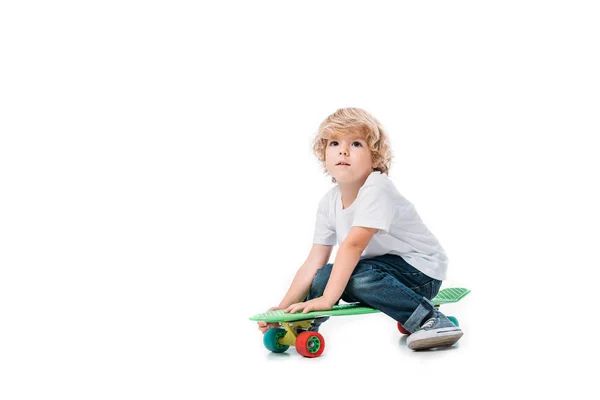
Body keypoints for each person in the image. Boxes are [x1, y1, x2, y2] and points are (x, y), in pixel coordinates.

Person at [257, 107, 463, 351]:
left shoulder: (377, 188)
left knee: (352, 277)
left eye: (355, 144)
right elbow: (314, 262)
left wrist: (327, 299)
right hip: (381, 270)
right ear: (324, 154)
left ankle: (430, 319)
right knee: (326, 274)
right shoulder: (328, 202)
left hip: (420, 273)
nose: (343, 150)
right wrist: (284, 307)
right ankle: (303, 323)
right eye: (334, 143)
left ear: (374, 157)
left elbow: (354, 245)